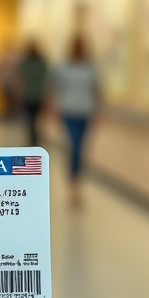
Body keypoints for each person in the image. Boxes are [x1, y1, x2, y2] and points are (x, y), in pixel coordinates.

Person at [49, 35, 101, 205]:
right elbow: (55, 88)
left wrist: (100, 111)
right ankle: (73, 184)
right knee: (74, 147)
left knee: (81, 148)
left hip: (85, 112)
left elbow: (97, 90)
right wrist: (52, 107)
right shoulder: (63, 67)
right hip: (68, 111)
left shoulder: (91, 67)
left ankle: (77, 181)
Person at [17, 43, 48, 146]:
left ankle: (32, 136)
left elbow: (19, 79)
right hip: (39, 95)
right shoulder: (42, 64)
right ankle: (35, 136)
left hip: (27, 94)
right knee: (36, 117)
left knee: (30, 118)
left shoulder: (25, 64)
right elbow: (46, 80)